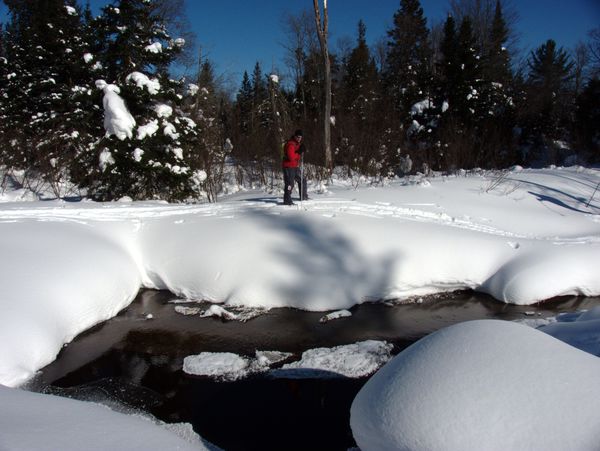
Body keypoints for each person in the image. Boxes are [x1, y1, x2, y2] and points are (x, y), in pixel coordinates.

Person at [282, 129, 308, 205]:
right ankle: (287, 200)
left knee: (302, 180)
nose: (299, 139)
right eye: (298, 137)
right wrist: (299, 152)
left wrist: (302, 149)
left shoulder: (297, 144)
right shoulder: (290, 144)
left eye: (301, 137)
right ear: (295, 136)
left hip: (294, 166)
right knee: (290, 184)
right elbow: (291, 157)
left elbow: (297, 154)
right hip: (288, 167)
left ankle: (303, 196)